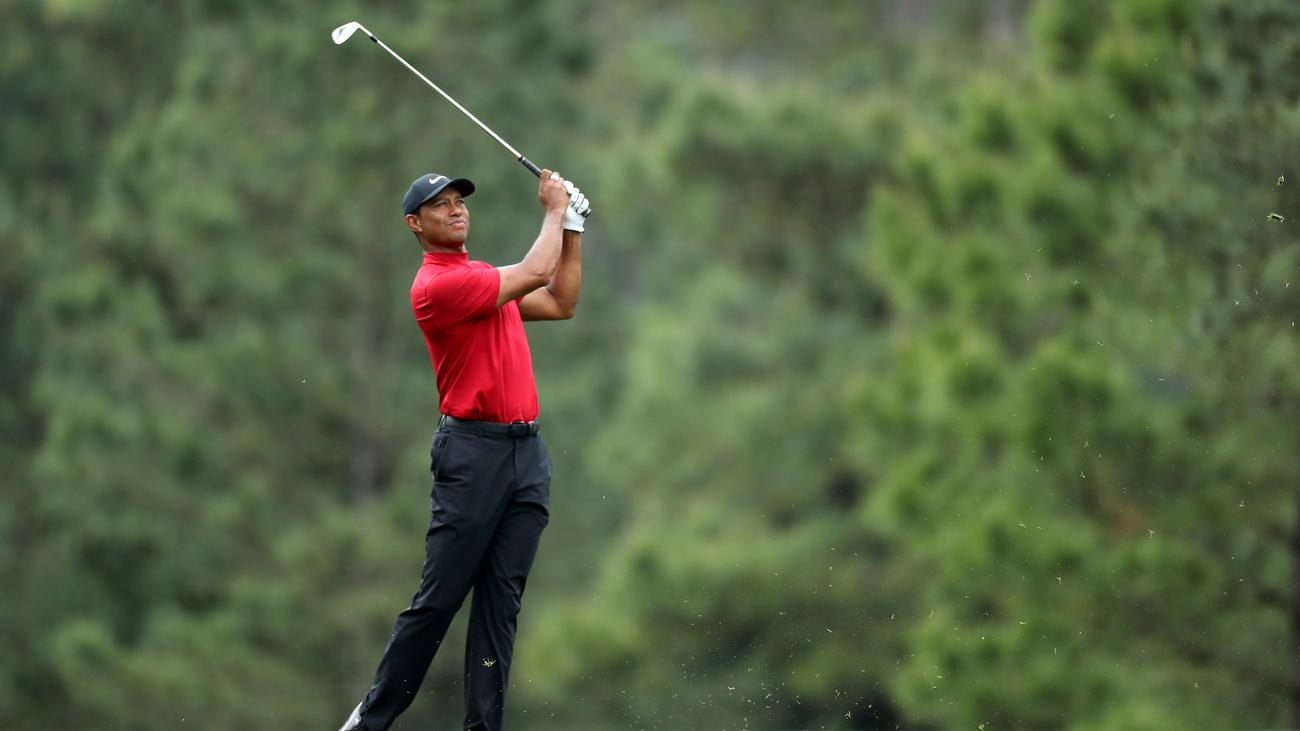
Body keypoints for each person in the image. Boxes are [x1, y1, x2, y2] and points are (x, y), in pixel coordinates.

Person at [340, 169, 590, 731]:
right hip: (472, 456)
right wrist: (556, 210)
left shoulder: (483, 279)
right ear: (415, 224)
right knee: (439, 600)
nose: (456, 210)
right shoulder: (437, 287)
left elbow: (561, 301)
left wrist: (572, 227)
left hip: (526, 455)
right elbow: (536, 271)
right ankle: (370, 722)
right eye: (441, 205)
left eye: (459, 201)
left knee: (501, 607)